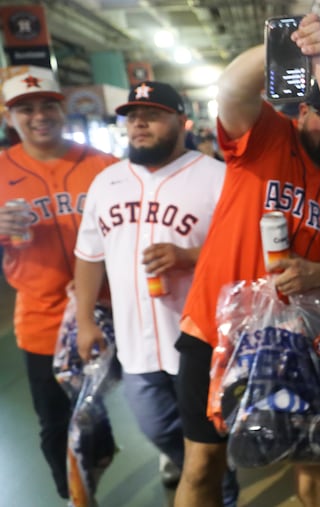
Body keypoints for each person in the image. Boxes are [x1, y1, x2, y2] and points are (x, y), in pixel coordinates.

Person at [174, 13, 320, 507]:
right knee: (203, 464)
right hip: (214, 331)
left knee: (314, 459)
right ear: (303, 110)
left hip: (306, 340)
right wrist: (286, 51)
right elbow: (232, 90)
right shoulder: (267, 137)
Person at [72, 81, 238, 505]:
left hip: (200, 340)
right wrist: (87, 320)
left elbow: (243, 253)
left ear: (181, 121)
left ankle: (217, 486)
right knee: (158, 429)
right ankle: (208, 474)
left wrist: (190, 255)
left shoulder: (217, 177)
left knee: (206, 441)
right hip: (134, 343)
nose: (139, 123)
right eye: (131, 115)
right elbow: (89, 255)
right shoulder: (106, 182)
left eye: (152, 114)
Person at [0, 65, 118, 500]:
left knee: (129, 404)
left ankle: (155, 448)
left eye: (46, 105)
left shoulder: (104, 165)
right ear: (9, 116)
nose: (37, 116)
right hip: (41, 316)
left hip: (114, 310)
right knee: (55, 421)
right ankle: (73, 495)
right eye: (24, 108)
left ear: (62, 108)